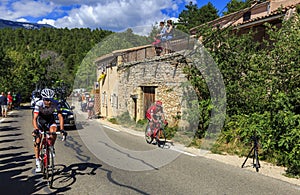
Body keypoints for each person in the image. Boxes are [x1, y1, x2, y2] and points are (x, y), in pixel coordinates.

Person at [32, 88, 66, 173]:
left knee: (54, 130)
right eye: (47, 100)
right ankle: (37, 162)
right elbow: (34, 119)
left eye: (50, 100)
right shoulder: (38, 104)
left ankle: (51, 146)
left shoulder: (55, 103)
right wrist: (36, 129)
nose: (49, 102)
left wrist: (62, 129)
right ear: (43, 99)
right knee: (38, 140)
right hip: (40, 122)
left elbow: (60, 116)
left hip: (50, 121)